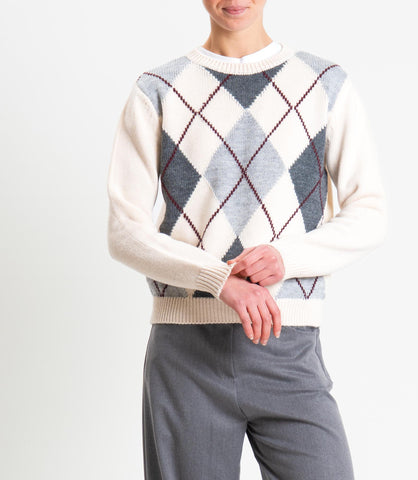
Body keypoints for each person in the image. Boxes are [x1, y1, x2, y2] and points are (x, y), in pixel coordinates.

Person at [106, 1, 388, 478]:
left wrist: (286, 257)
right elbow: (124, 231)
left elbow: (370, 213)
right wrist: (217, 279)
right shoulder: (158, 89)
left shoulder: (323, 84)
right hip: (186, 354)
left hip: (288, 347)